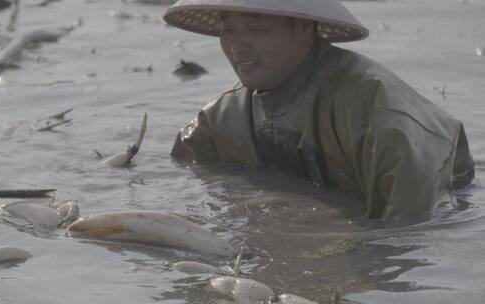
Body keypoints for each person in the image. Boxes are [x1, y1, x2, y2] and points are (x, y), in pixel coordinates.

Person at [163, 0, 475, 220]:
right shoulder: (223, 117)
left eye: (254, 28)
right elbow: (185, 170)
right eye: (228, 29)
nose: (237, 45)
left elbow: (412, 226)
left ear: (303, 27)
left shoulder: (375, 109)